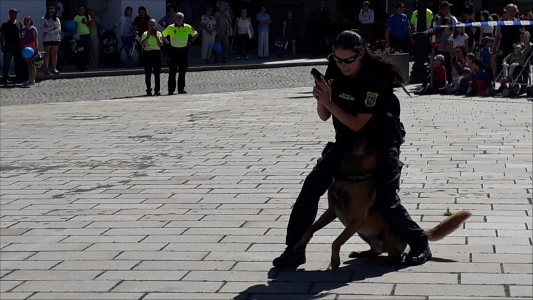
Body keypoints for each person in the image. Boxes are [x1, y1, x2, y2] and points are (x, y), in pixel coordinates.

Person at [272, 30, 431, 269]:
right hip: (347, 139)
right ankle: (295, 248)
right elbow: (325, 116)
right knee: (312, 185)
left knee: (386, 199)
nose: (342, 65)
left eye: (349, 60)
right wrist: (321, 100)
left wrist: (328, 102)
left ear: (361, 54)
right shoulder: (335, 68)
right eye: (337, 59)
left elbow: (358, 122)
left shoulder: (375, 77)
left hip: (380, 139)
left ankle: (419, 243)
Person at [162, 12, 197, 95]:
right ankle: (171, 89)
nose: (179, 19)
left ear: (183, 18)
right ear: (175, 18)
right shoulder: (170, 27)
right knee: (172, 71)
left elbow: (195, 33)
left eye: (180, 18)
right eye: (177, 17)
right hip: (174, 51)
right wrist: (167, 42)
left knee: (182, 71)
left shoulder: (187, 27)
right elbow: (162, 35)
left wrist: (190, 41)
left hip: (184, 51)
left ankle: (181, 89)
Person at [493, 3, 521, 87]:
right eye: (510, 11)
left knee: (514, 65)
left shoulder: (518, 22)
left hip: (515, 47)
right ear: (507, 11)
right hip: (504, 46)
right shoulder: (502, 23)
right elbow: (497, 36)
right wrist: (494, 48)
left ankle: (514, 85)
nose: (511, 12)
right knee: (501, 64)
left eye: (513, 11)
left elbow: (522, 35)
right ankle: (503, 85)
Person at [1, 8, 26, 85]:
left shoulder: (19, 23)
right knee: (6, 63)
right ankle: (5, 78)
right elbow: (2, 36)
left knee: (17, 63)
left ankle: (18, 77)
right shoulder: (5, 24)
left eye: (16, 13)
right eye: (15, 13)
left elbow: (22, 34)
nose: (16, 15)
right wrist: (2, 45)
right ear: (10, 14)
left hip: (17, 47)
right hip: (8, 46)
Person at [141, 19, 163, 96]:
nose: (152, 27)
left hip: (156, 53)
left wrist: (156, 37)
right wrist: (147, 37)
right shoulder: (145, 33)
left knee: (157, 73)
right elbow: (142, 43)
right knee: (148, 73)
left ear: (155, 25)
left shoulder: (159, 33)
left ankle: (157, 90)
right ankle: (148, 90)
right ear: (148, 26)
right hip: (148, 53)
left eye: (153, 25)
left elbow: (160, 44)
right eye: (150, 25)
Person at [41, 6, 61, 75]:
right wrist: (50, 29)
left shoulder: (57, 19)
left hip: (55, 38)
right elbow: (43, 29)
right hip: (47, 38)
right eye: (50, 12)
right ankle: (46, 68)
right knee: (47, 54)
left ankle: (54, 68)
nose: (51, 13)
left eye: (52, 12)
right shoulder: (44, 19)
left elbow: (58, 29)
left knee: (54, 53)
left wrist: (51, 30)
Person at [21, 16, 38, 87]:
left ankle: (33, 79)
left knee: (33, 64)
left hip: (32, 48)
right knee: (28, 64)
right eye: (26, 20)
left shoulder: (33, 29)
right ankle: (29, 78)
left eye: (28, 20)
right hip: (25, 48)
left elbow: (35, 39)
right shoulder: (23, 30)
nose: (27, 21)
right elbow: (22, 39)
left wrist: (36, 48)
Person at [435, 17, 452, 82]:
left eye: (450, 23)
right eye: (447, 23)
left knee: (448, 67)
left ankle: (449, 80)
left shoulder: (452, 33)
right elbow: (435, 44)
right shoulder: (439, 33)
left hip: (448, 52)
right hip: (440, 51)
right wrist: (443, 43)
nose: (448, 25)